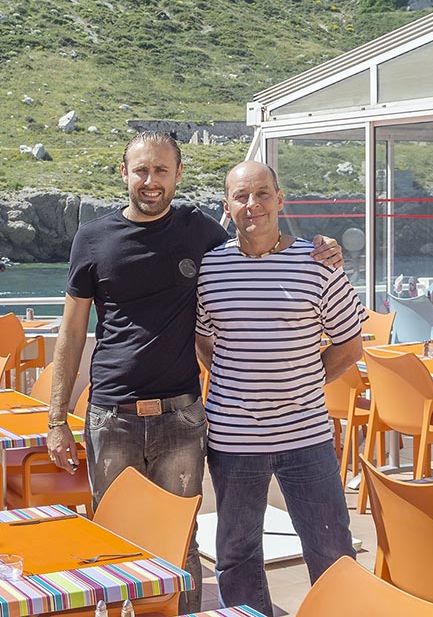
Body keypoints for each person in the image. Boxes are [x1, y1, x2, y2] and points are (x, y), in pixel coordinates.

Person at [45, 132, 341, 614]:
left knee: (182, 545)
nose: (151, 180)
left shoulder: (199, 231)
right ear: (124, 173)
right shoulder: (92, 238)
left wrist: (319, 246)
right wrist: (57, 418)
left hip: (182, 418)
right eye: (141, 170)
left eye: (162, 170)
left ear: (178, 174)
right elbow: (72, 331)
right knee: (115, 540)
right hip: (110, 417)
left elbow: (255, 240)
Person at [194, 160, 363, 616]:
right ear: (227, 207)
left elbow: (350, 345)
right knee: (236, 556)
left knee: (331, 552)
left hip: (307, 437)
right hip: (233, 440)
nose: (254, 205)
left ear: (280, 199)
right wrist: (242, 379)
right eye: (242, 197)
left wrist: (301, 380)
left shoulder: (318, 263)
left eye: (263, 194)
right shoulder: (210, 270)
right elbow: (204, 342)